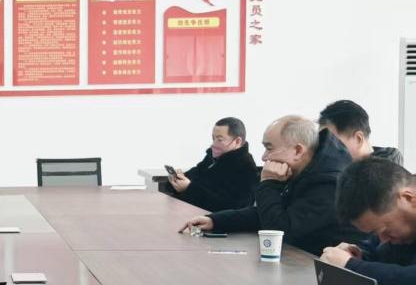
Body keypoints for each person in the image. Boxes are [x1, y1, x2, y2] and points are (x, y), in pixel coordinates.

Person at [180, 115, 365, 255]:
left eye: (269, 148)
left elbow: (279, 230)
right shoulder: (308, 169)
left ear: (298, 151)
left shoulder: (330, 184)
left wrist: (269, 183)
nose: (264, 157)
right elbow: (267, 212)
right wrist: (215, 220)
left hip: (327, 272)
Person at [320, 158, 416, 285]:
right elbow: (376, 248)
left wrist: (351, 266)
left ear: (408, 198)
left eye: (386, 231)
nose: (383, 240)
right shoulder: (395, 226)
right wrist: (357, 254)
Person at [166, 117, 258, 212]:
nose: (213, 144)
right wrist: (177, 179)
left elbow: (234, 208)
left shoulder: (246, 168)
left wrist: (189, 188)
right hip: (186, 211)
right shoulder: (213, 157)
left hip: (206, 219)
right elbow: (195, 174)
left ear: (237, 141)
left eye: (219, 140)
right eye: (213, 138)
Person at [318, 99, 402, 165]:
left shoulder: (388, 179)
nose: (325, 148)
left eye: (333, 142)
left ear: (358, 139)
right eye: (322, 141)